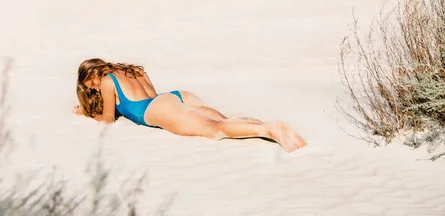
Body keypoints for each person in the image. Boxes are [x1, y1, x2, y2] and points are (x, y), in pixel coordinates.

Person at [74, 58, 307, 153]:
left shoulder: (106, 80)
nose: (93, 89)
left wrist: (85, 112)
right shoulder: (132, 70)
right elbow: (152, 96)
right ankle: (268, 127)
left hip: (156, 109)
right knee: (223, 121)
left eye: (90, 85)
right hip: (175, 96)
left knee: (216, 130)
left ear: (92, 74)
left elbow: (106, 119)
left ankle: (270, 130)